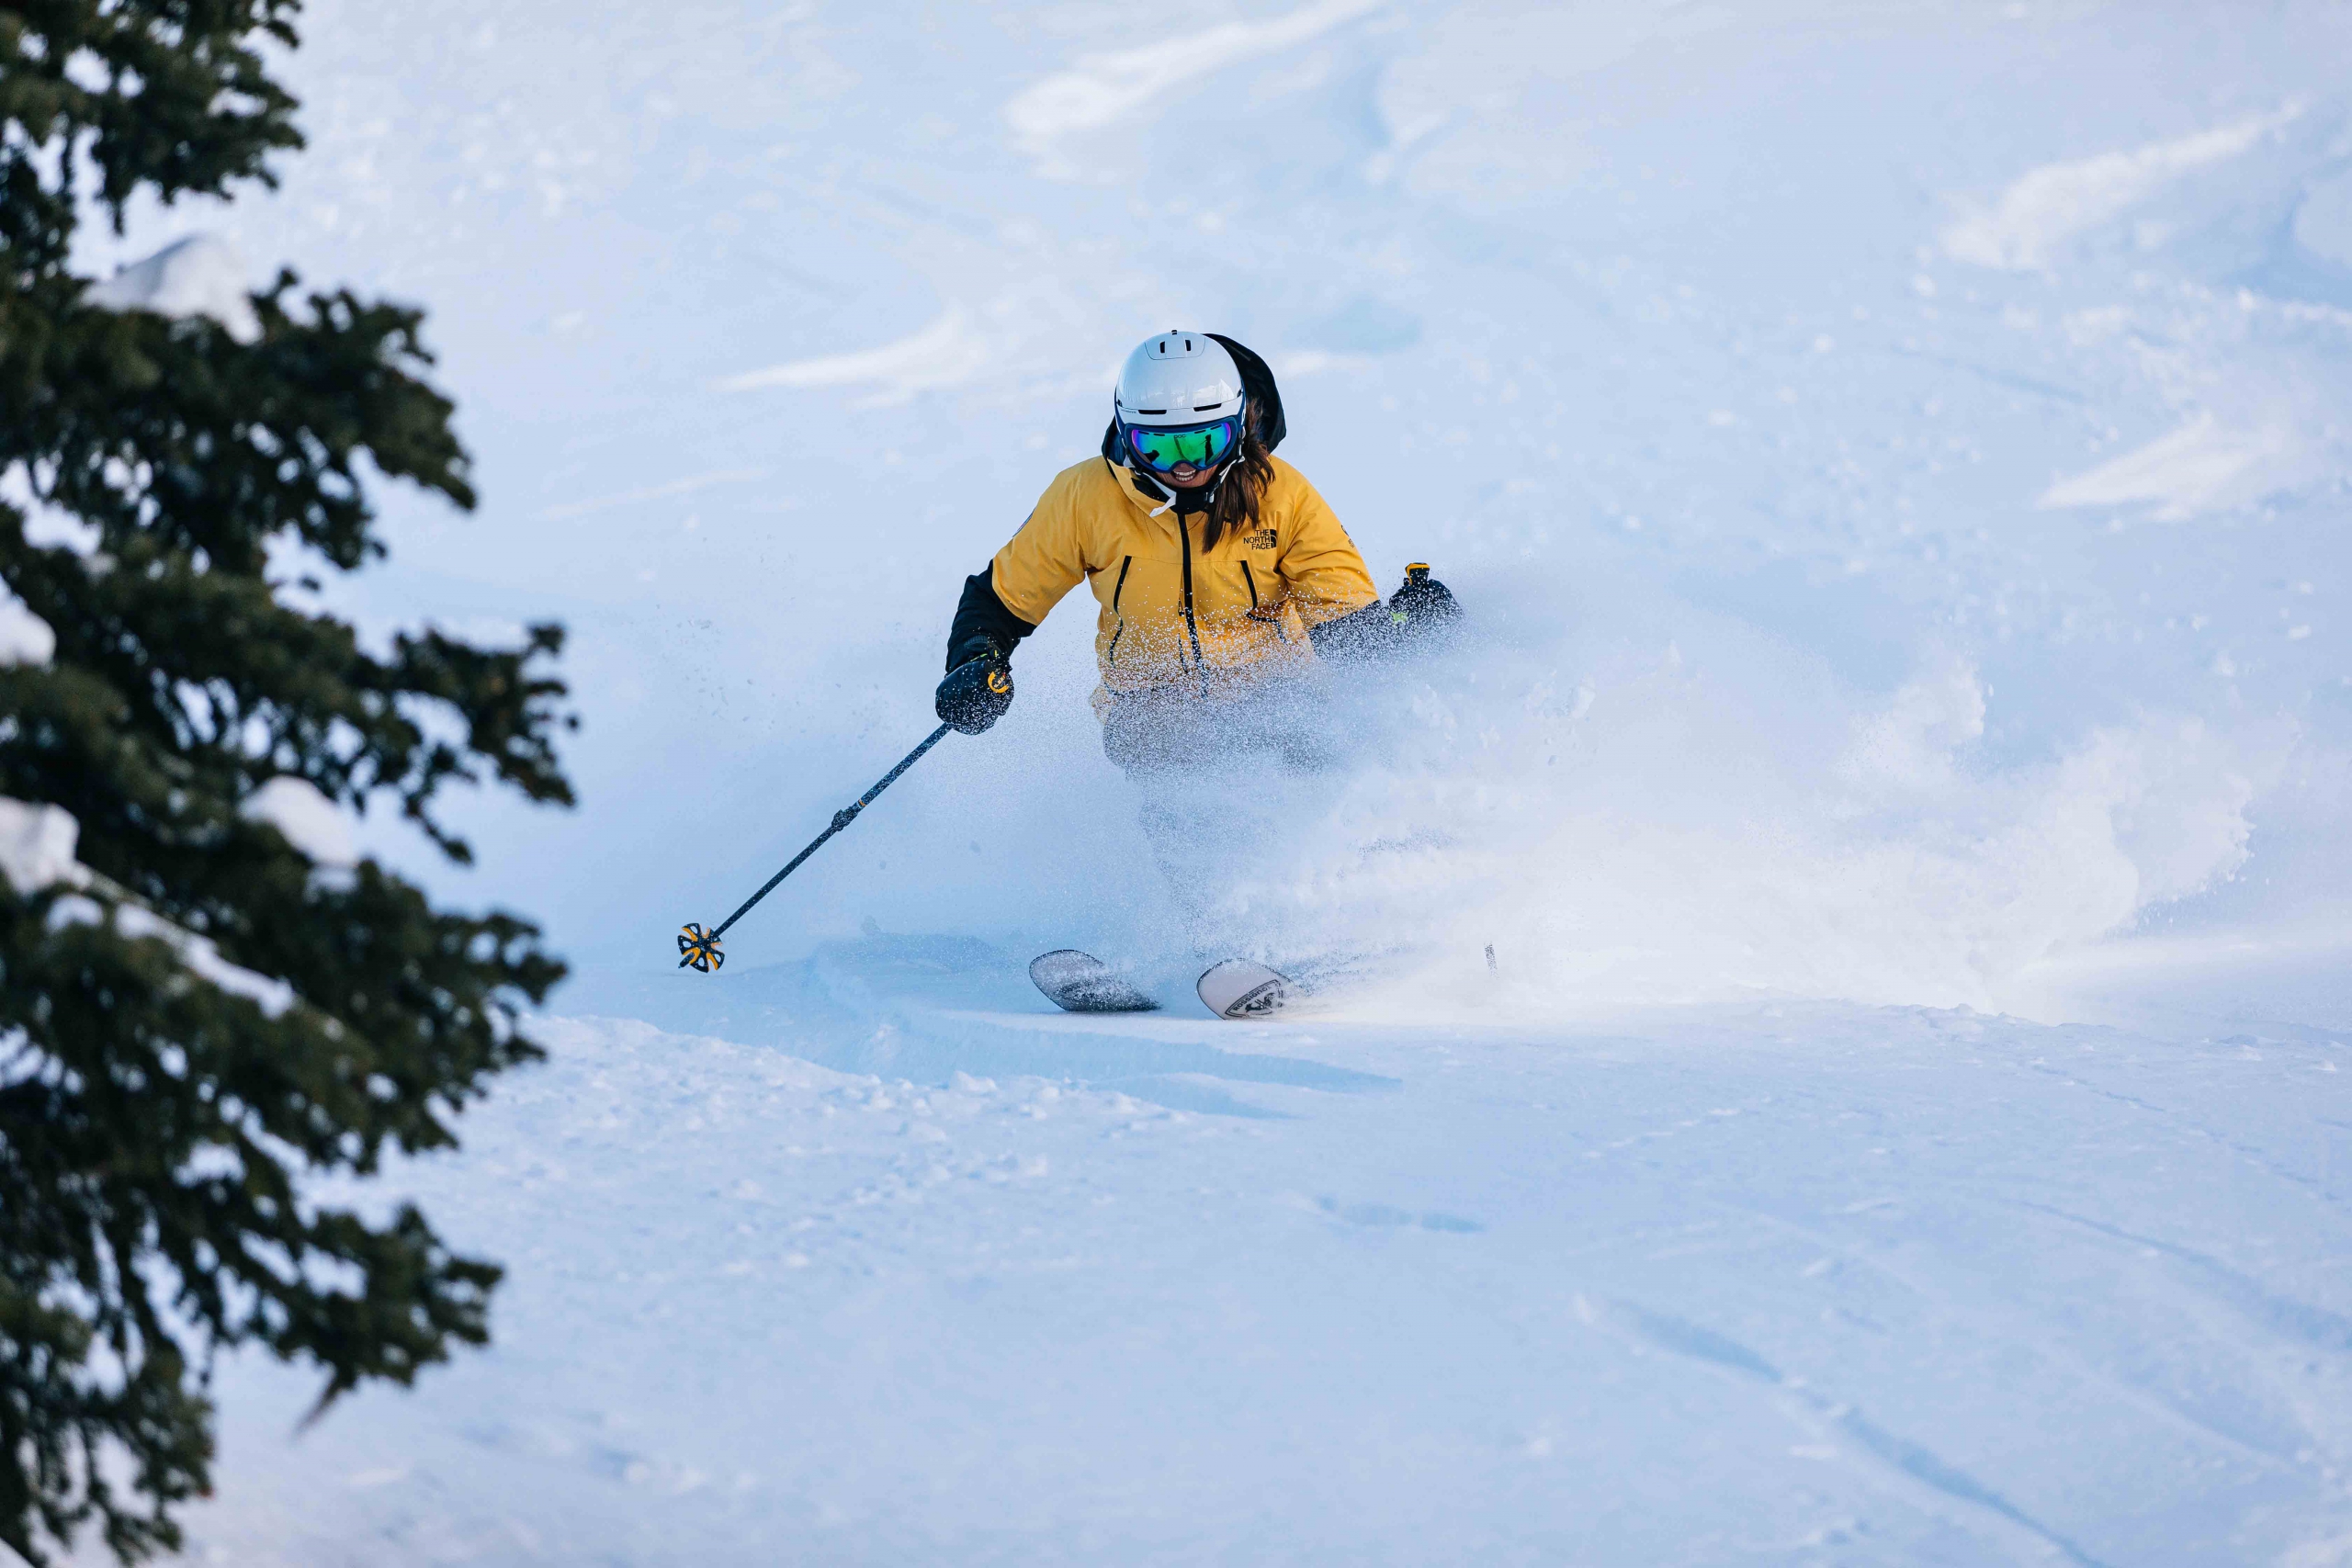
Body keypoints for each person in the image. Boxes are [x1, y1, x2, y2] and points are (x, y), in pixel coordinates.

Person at [933, 330, 1457, 773]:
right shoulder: (1085, 497)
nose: (1183, 467)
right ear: (1126, 432)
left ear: (1238, 426)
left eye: (1203, 442)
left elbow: (1343, 624)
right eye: (1158, 446)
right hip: (1151, 716)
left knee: (1305, 760)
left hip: (1278, 698)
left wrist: (1398, 634)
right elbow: (1000, 601)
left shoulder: (1281, 496)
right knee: (1184, 792)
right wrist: (977, 660)